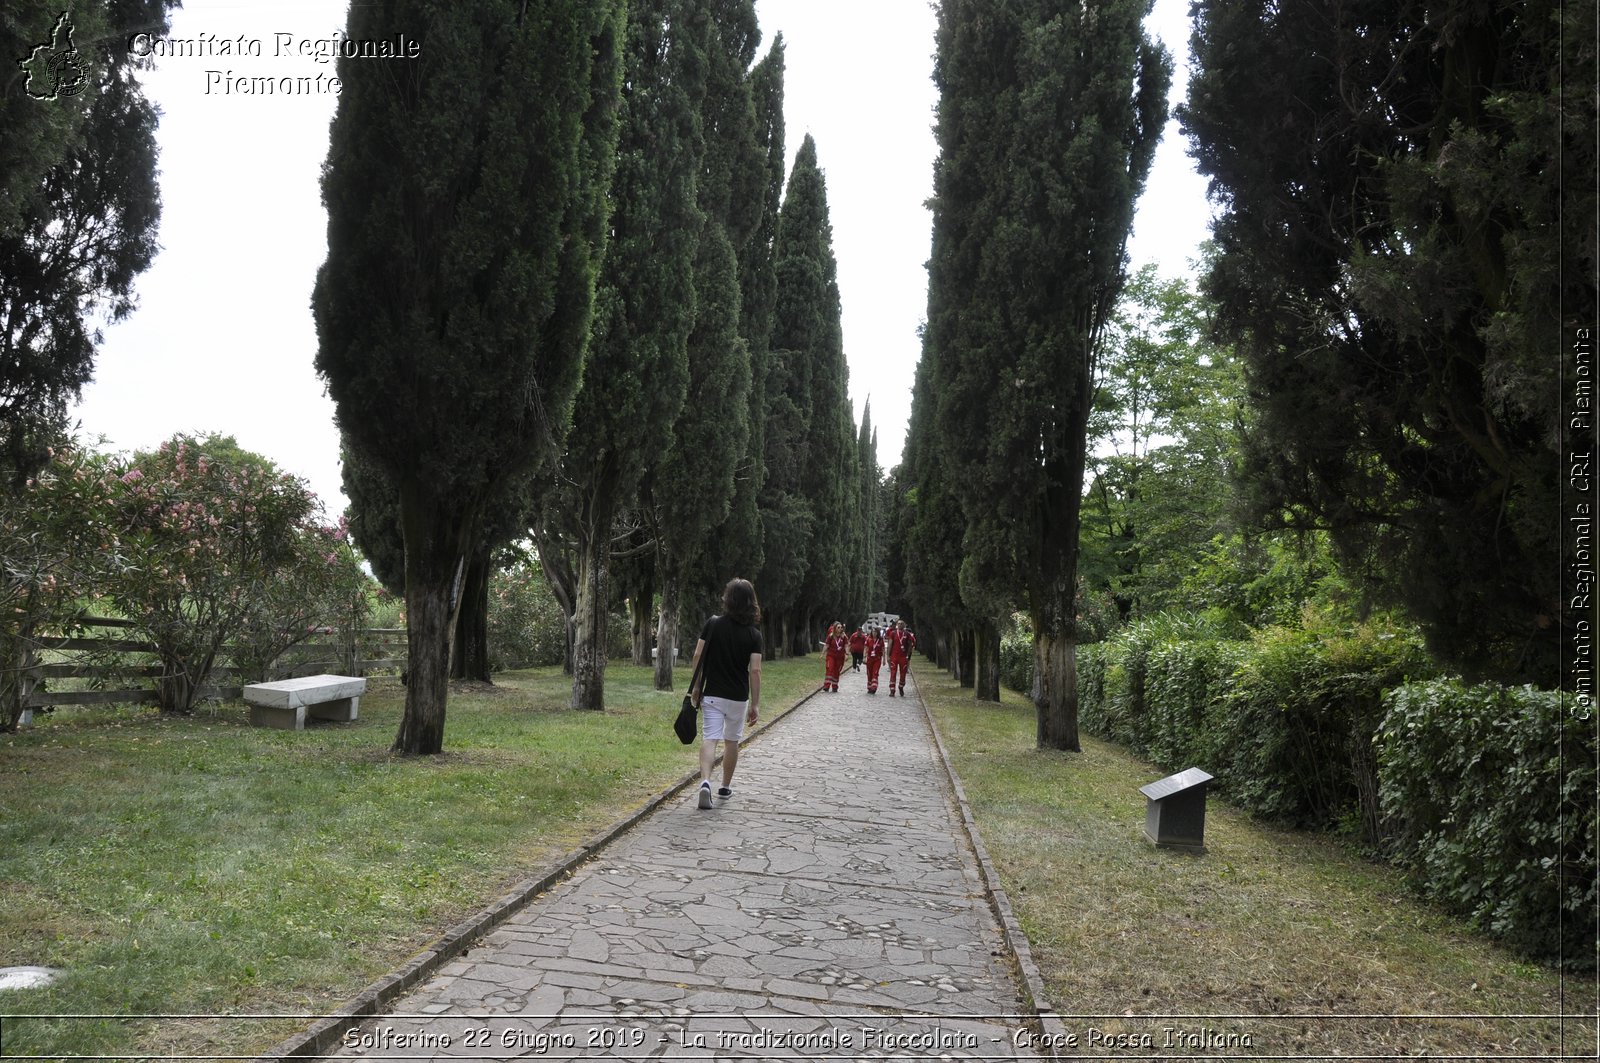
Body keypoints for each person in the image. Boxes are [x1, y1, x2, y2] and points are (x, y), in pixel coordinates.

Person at [688, 578, 763, 809]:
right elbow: (756, 670)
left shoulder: (713, 624)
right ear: (751, 603)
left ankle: (705, 782)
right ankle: (725, 786)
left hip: (713, 693)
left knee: (710, 737)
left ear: (727, 599)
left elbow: (698, 656)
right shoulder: (754, 635)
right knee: (732, 742)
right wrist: (755, 704)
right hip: (738, 696)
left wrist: (697, 686)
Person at [887, 618, 917, 697]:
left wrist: (908, 655)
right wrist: (888, 656)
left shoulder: (907, 634)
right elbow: (890, 645)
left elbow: (910, 645)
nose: (900, 625)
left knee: (903, 673)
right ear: (897, 625)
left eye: (901, 623)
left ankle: (901, 686)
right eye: (899, 623)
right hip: (894, 656)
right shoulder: (893, 633)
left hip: (903, 657)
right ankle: (892, 690)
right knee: (893, 672)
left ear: (904, 625)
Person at [822, 621, 849, 692]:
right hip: (831, 656)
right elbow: (826, 645)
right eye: (838, 627)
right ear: (835, 628)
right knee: (830, 669)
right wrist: (822, 653)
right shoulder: (831, 636)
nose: (840, 629)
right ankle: (826, 686)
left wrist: (847, 654)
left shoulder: (844, 637)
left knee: (836, 671)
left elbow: (846, 645)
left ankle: (834, 685)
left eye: (841, 627)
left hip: (840, 657)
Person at [863, 625, 885, 694]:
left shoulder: (881, 640)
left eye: (875, 632)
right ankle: (869, 686)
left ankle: (874, 687)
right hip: (869, 659)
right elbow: (866, 648)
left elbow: (883, 650)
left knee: (875, 673)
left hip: (877, 659)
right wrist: (864, 657)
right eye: (873, 632)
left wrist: (884, 659)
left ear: (878, 633)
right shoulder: (868, 639)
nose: (874, 633)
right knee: (869, 673)